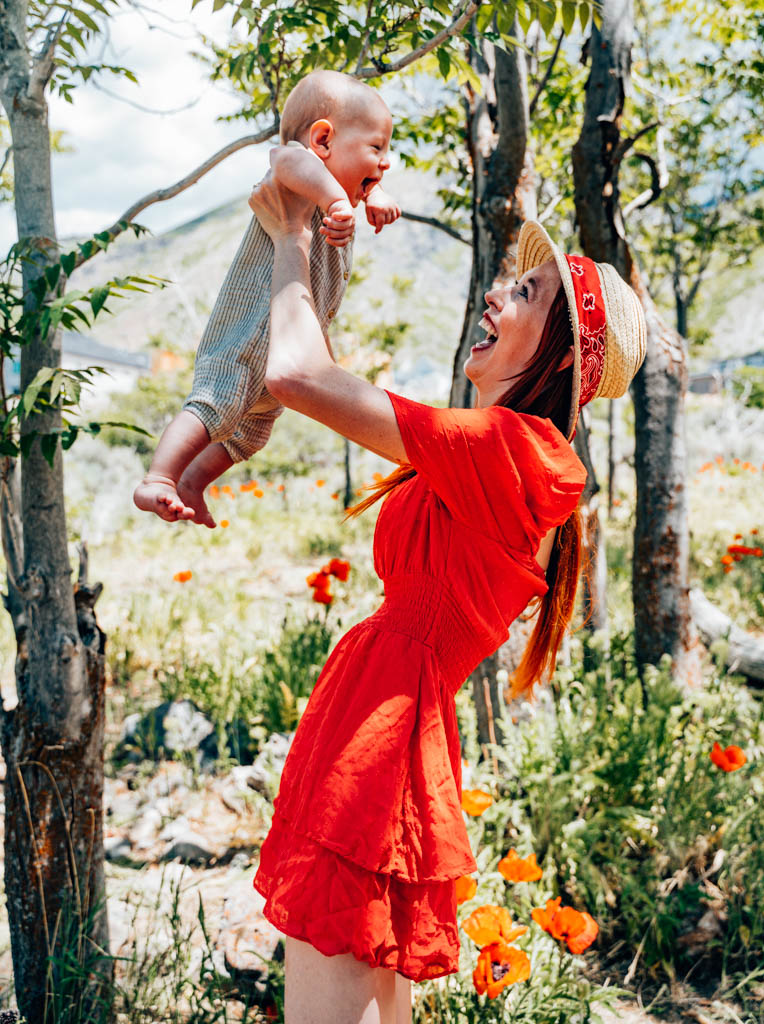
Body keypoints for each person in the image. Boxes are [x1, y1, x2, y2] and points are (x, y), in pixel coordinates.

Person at [248, 149, 647, 1023]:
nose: (494, 296)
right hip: (382, 723)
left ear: (559, 354)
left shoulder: (518, 452)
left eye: (527, 294)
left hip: (382, 739)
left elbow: (296, 376)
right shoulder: (494, 451)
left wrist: (286, 234)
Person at [133, 70, 400, 528]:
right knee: (214, 405)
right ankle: (159, 476)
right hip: (247, 332)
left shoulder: (332, 184)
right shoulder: (297, 168)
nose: (386, 162)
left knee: (250, 433)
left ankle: (193, 481)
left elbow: (358, 184)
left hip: (283, 344)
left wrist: (373, 195)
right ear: (321, 139)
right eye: (376, 148)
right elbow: (286, 161)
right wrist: (338, 200)